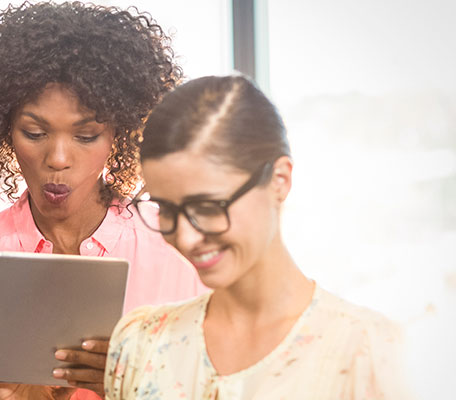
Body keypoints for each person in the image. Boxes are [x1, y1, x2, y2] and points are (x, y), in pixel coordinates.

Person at [0, 3, 206, 399]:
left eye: (85, 136)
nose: (58, 158)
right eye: (34, 132)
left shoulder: (181, 249)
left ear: (121, 133)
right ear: (4, 130)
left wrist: (130, 387)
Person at [104, 75, 409, 399]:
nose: (186, 237)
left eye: (207, 206)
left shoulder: (371, 353)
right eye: (166, 209)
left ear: (279, 180)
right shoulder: (139, 344)